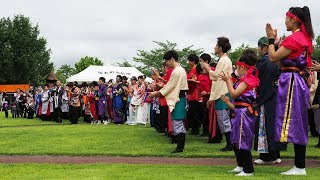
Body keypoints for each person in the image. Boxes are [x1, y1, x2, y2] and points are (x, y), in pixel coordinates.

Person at [265, 6, 314, 175]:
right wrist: (277, 45)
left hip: (292, 82)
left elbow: (272, 57)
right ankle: (298, 165)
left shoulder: (296, 38)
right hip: (294, 80)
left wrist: (271, 41)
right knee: (297, 121)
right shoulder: (304, 38)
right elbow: (280, 62)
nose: (284, 21)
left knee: (296, 122)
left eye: (286, 18)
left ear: (293, 20)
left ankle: (300, 166)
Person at [220, 49, 260, 176]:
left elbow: (234, 93)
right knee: (236, 139)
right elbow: (237, 104)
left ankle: (248, 170)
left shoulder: (247, 80)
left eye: (237, 67)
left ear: (242, 67)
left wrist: (227, 80)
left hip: (244, 114)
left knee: (243, 140)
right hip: (239, 112)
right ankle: (240, 165)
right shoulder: (242, 80)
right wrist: (227, 102)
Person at [253, 37, 286, 165]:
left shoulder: (264, 62)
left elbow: (261, 82)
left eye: (259, 46)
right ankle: (276, 155)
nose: (258, 49)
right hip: (278, 97)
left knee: (265, 126)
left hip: (267, 98)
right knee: (275, 126)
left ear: (265, 47)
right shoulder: (278, 60)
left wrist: (258, 99)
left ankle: (267, 157)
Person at [148, 50, 188, 153]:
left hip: (178, 98)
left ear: (172, 59)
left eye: (167, 61)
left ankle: (180, 147)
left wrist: (155, 94)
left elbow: (169, 87)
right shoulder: (179, 70)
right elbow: (170, 85)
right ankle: (180, 146)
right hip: (179, 97)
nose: (166, 64)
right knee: (177, 122)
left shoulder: (177, 71)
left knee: (177, 122)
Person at [202, 37, 233, 151]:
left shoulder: (224, 60)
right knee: (222, 119)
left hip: (223, 93)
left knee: (224, 119)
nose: (214, 47)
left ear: (220, 47)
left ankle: (230, 143)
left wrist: (208, 69)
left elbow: (217, 77)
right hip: (222, 92)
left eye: (216, 45)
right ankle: (229, 143)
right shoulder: (224, 60)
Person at [186, 54, 201, 135]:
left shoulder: (194, 70)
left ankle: (195, 129)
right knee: (192, 111)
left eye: (189, 61)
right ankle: (194, 128)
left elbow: (195, 81)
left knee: (194, 111)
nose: (188, 62)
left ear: (193, 61)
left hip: (194, 93)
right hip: (191, 92)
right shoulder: (193, 70)